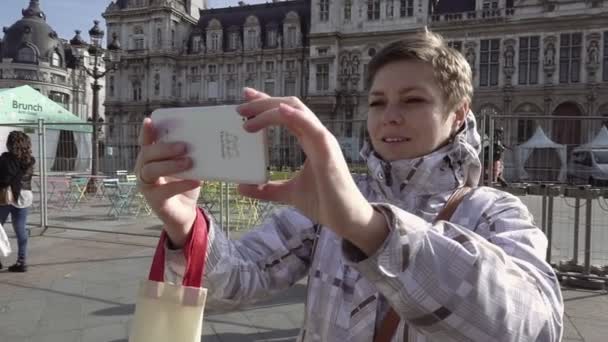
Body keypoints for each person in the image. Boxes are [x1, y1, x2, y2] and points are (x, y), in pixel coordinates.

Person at [135, 32, 563, 341]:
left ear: (458, 113)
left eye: (413, 100)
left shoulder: (494, 211)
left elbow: (535, 326)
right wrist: (186, 225)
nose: (389, 116)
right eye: (377, 102)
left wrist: (368, 227)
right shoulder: (329, 199)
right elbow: (239, 281)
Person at [0, 131, 36, 272]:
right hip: (25, 195)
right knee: (20, 229)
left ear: (10, 144)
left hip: (7, 196)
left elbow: (4, 179)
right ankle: (22, 261)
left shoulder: (6, 159)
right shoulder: (29, 160)